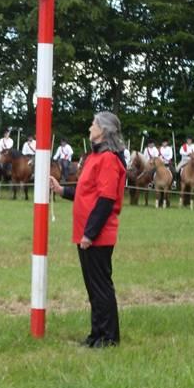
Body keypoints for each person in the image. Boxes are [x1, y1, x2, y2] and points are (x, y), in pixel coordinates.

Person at [49, 112, 127, 348]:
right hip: (87, 233)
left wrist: (90, 234)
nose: (89, 127)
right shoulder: (94, 158)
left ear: (103, 130)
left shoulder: (109, 160)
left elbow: (105, 200)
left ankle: (108, 338)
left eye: (93, 124)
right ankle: (97, 335)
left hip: (98, 236)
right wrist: (62, 190)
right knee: (93, 288)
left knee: (101, 287)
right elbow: (86, 194)